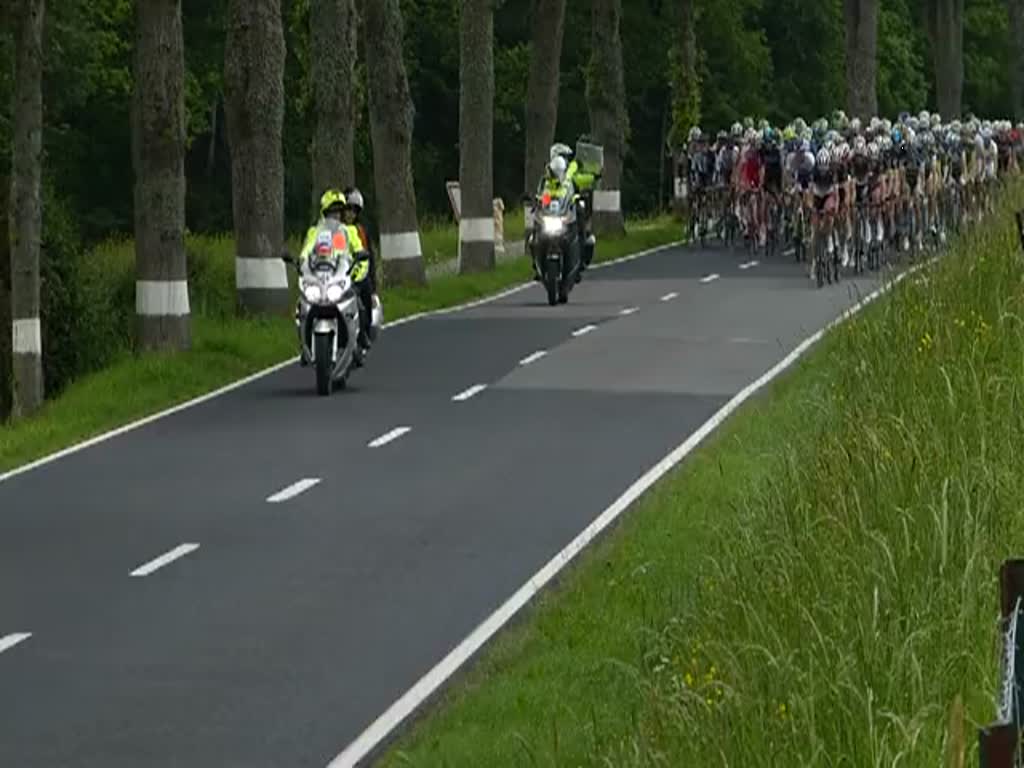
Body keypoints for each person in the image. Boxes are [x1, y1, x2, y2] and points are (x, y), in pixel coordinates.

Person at [297, 188, 374, 365]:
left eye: (338, 212)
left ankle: (360, 339)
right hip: (321, 277)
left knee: (360, 303)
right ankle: (304, 344)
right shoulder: (314, 232)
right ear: (324, 214)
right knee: (301, 305)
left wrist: (355, 275)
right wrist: (302, 264)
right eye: (331, 212)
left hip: (341, 277)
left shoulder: (348, 232)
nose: (336, 216)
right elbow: (307, 251)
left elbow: (360, 253)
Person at [340, 186, 380, 357]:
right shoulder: (334, 230)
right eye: (347, 209)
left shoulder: (360, 231)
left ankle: (363, 332)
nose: (350, 214)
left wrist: (370, 279)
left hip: (357, 274)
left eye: (354, 210)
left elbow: (368, 255)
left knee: (364, 298)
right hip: (337, 274)